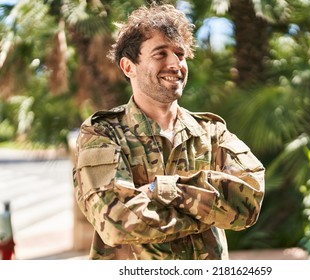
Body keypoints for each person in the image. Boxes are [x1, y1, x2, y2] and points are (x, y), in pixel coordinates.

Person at [73, 3, 265, 260]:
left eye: (180, 54)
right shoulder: (102, 133)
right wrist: (206, 212)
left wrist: (160, 190)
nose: (175, 63)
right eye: (160, 54)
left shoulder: (212, 132)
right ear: (129, 67)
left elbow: (249, 203)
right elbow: (117, 222)